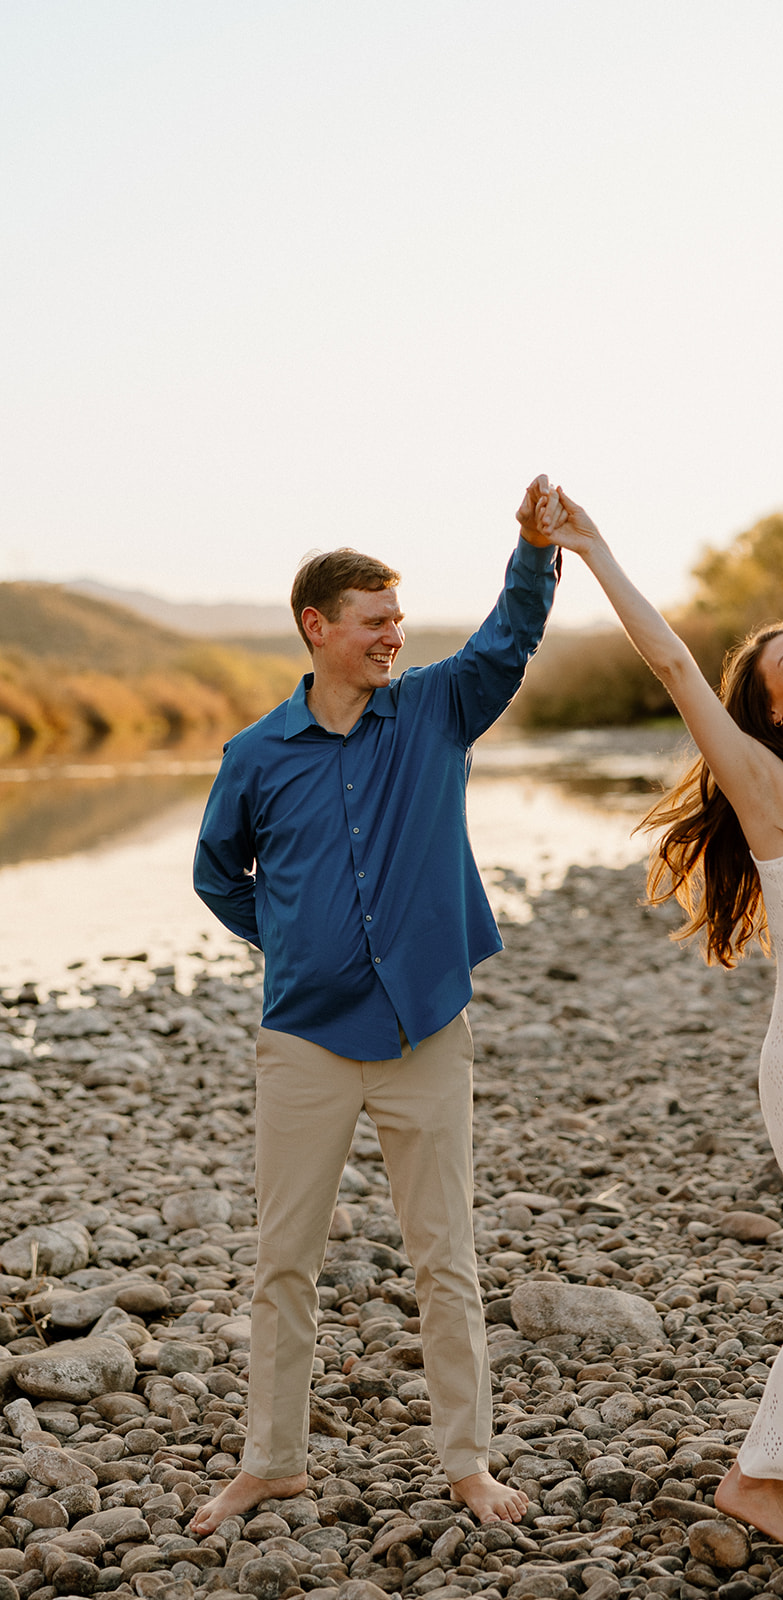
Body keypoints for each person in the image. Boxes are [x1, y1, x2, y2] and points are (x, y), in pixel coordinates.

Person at [535, 486, 783, 1552]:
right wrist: (592, 546)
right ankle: (756, 1476)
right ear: (768, 713)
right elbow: (674, 664)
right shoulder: (773, 789)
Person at [189, 478, 561, 1532]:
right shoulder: (257, 755)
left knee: (445, 1256)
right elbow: (223, 875)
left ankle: (469, 1465)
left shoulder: (440, 707)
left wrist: (531, 546)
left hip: (427, 1033)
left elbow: (511, 636)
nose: (395, 635)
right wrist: (297, 943)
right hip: (303, 1040)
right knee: (282, 1261)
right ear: (318, 629)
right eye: (375, 621)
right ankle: (271, 1462)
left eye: (399, 619)